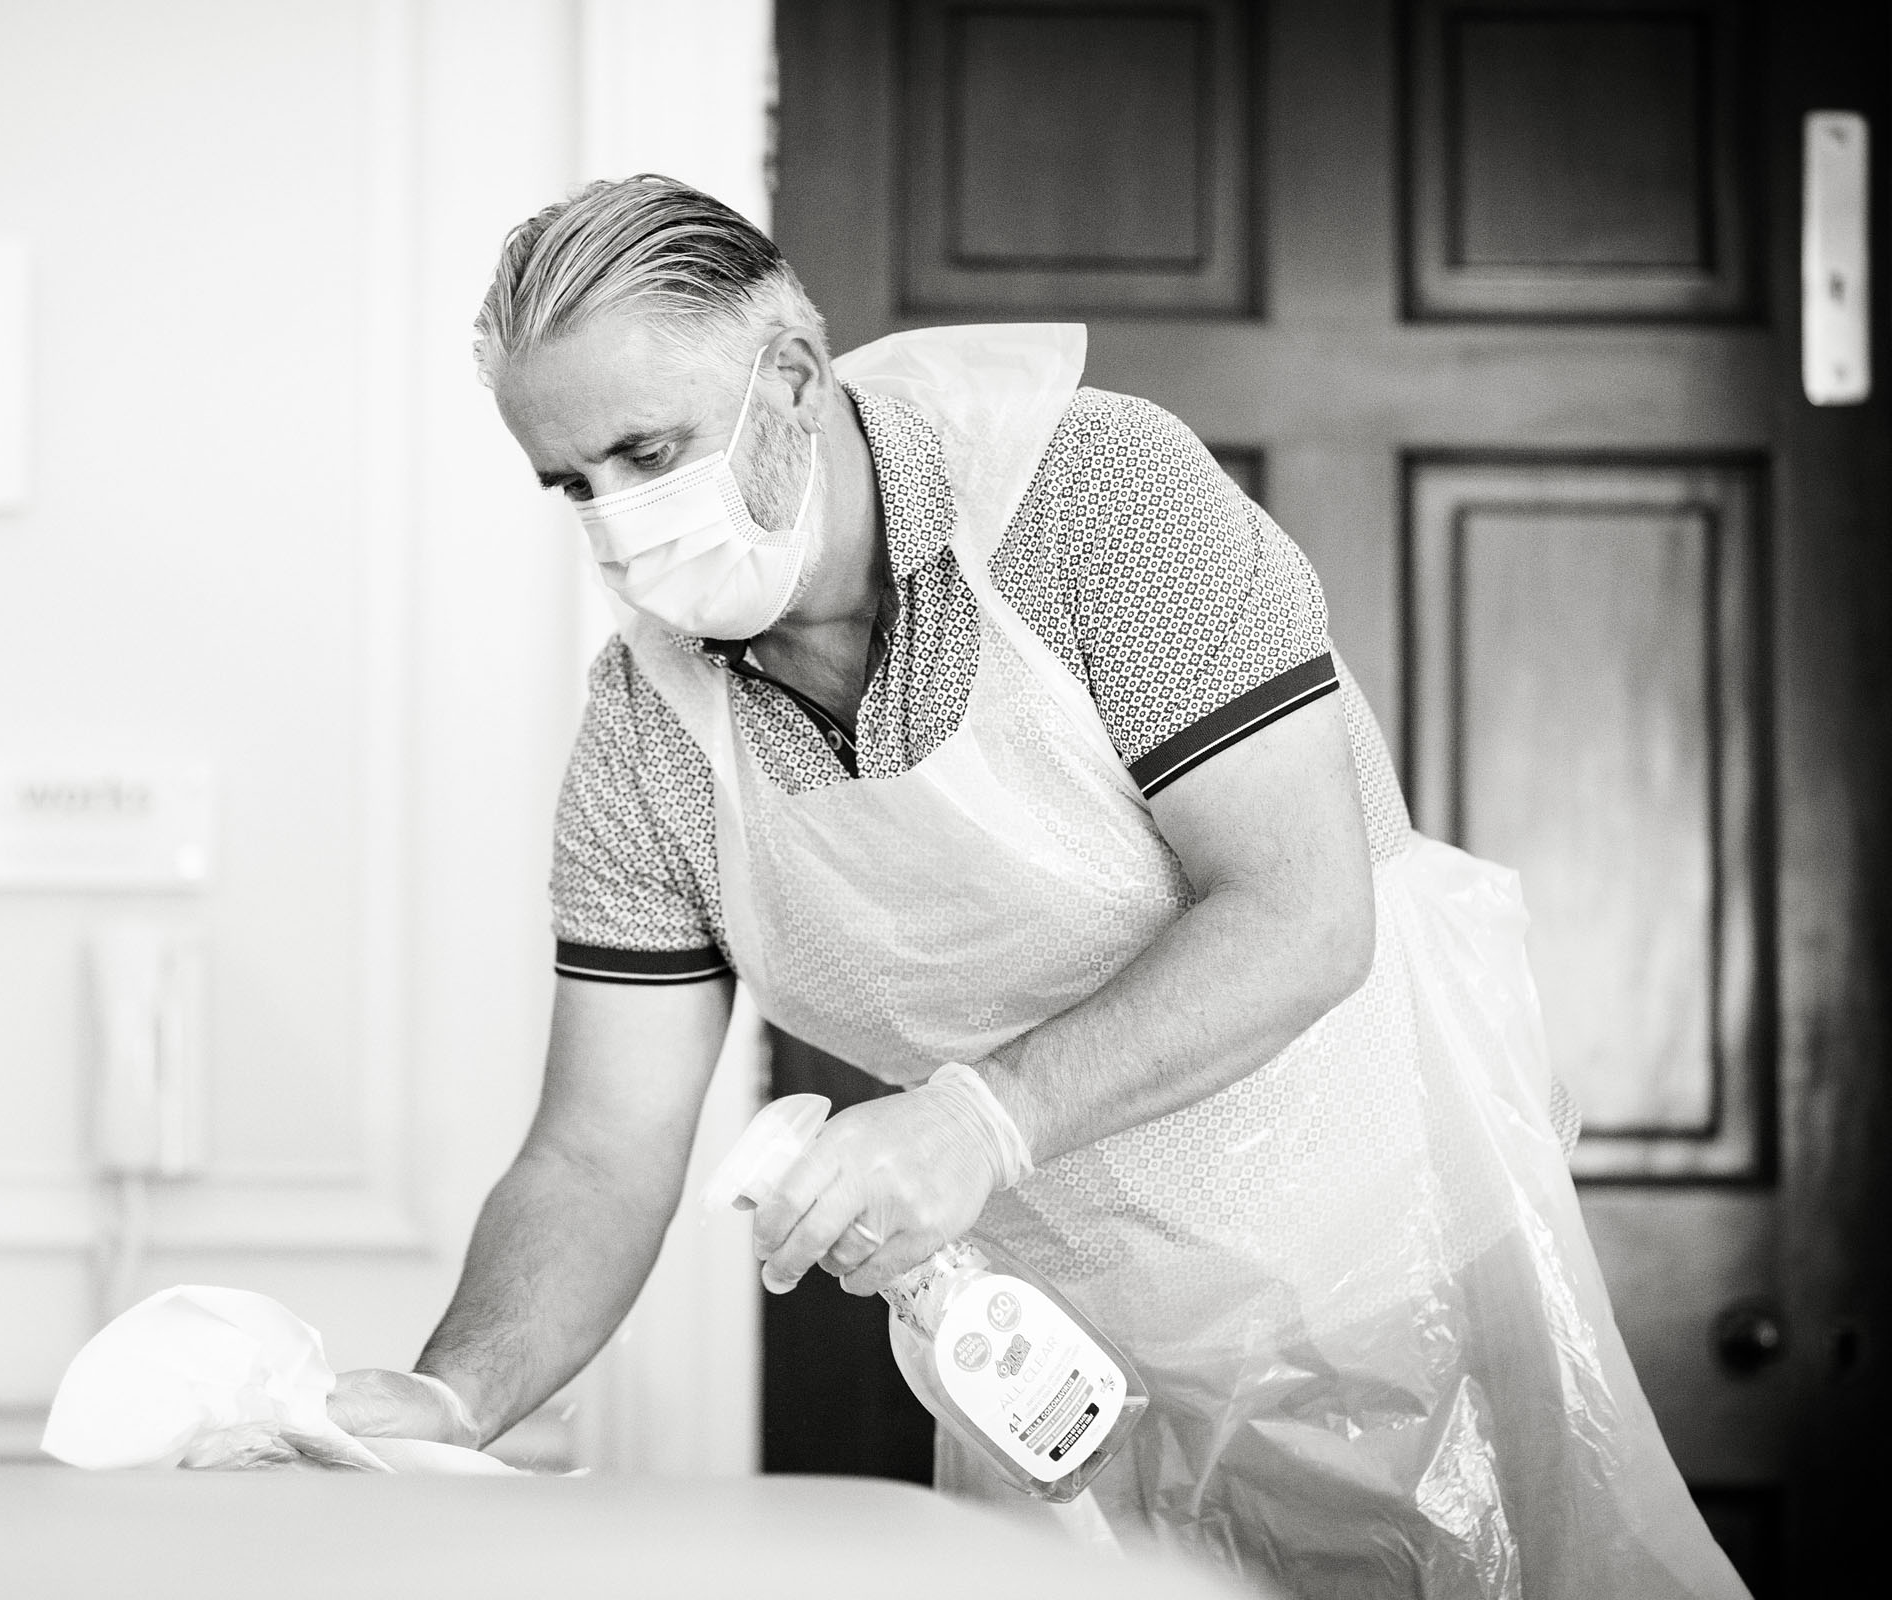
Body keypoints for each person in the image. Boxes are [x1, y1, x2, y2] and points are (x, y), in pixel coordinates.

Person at [325, 176, 1746, 1600]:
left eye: (650, 452)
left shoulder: (1093, 501)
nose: (621, 529)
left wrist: (976, 1120)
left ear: (793, 377)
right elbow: (598, 1149)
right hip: (1055, 1371)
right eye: (572, 485)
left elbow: (1302, 913)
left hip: (1390, 1273)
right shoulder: (645, 737)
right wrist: (451, 1403)